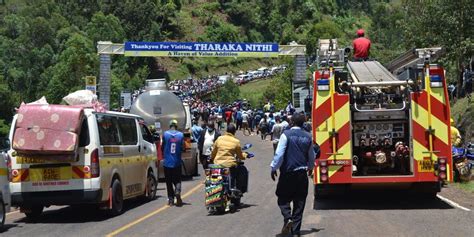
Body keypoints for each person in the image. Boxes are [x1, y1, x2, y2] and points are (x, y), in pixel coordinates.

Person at [270, 113, 316, 236]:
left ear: (292, 123)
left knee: (282, 198)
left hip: (288, 174)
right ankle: (295, 232)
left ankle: (288, 217)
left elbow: (279, 155)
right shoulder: (308, 136)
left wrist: (274, 168)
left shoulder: (286, 135)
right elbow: (311, 156)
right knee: (299, 203)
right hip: (302, 174)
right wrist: (311, 168)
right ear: (303, 123)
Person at [162, 119, 185, 206]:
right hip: (177, 162)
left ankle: (171, 200)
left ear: (170, 125)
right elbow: (183, 148)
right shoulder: (181, 135)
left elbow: (162, 146)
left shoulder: (165, 134)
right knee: (177, 179)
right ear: (176, 126)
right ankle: (177, 191)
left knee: (168, 181)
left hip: (167, 162)